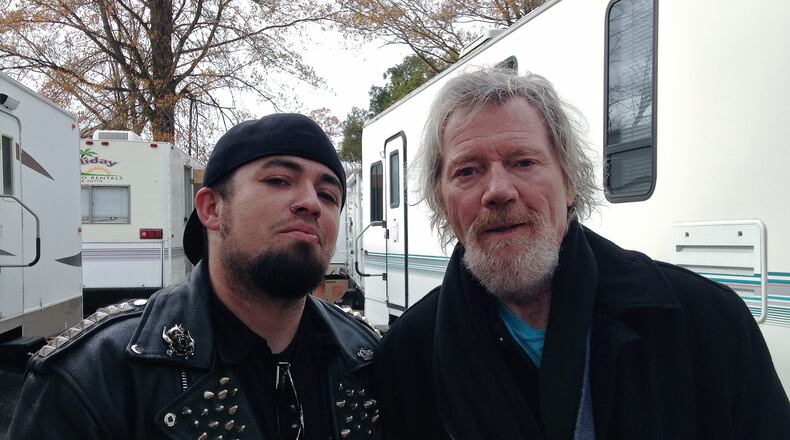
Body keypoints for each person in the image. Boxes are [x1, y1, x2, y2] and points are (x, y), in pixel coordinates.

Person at [372, 68, 790, 439]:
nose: (498, 190)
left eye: (523, 161)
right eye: (467, 171)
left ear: (569, 183)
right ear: (444, 204)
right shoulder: (408, 357)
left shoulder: (705, 325)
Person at [10, 114, 381, 439]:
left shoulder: (366, 359)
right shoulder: (96, 377)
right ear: (211, 208)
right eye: (279, 180)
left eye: (328, 194)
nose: (312, 203)